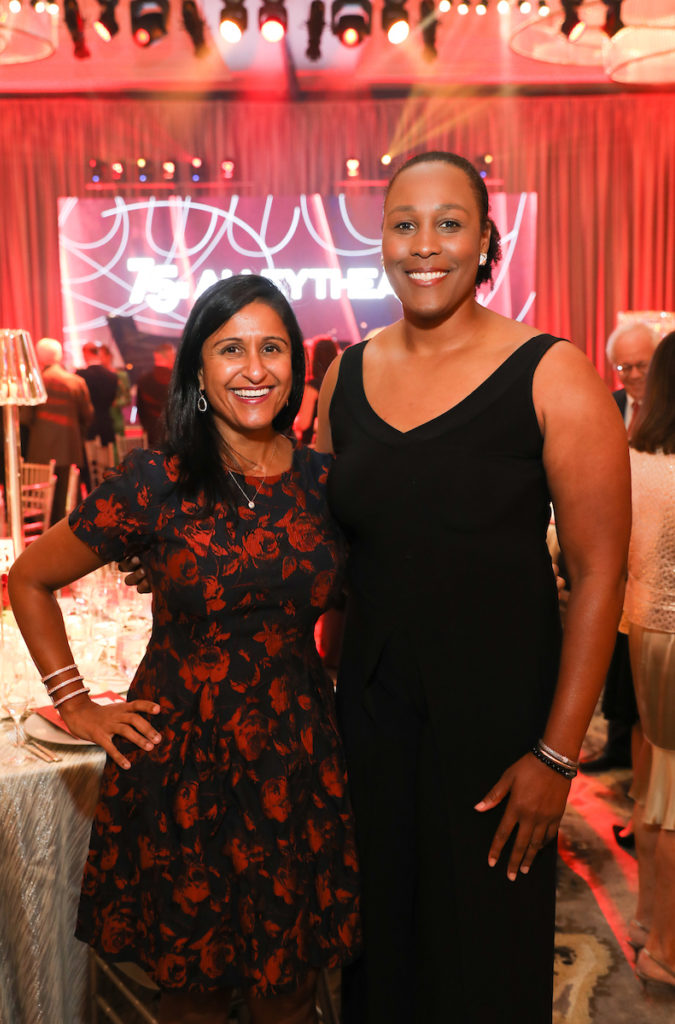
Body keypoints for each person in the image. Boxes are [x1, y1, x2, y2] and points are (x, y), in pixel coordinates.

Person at [315, 151, 631, 1024]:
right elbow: (332, 566)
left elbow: (601, 576)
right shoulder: (343, 376)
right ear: (379, 238)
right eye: (403, 222)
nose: (425, 244)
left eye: (448, 222)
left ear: (487, 239)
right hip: (370, 725)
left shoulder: (552, 373)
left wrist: (557, 756)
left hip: (499, 735)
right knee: (375, 958)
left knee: (483, 966)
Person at [8, 276, 361, 1024]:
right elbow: (29, 577)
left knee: (288, 991)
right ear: (198, 371)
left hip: (295, 760)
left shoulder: (327, 484)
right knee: (193, 993)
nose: (254, 367)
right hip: (186, 766)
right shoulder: (155, 484)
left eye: (272, 348)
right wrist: (77, 706)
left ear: (296, 366)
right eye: (230, 348)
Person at [580, 320, 660, 780]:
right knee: (615, 649)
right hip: (616, 546)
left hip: (658, 555)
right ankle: (617, 742)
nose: (630, 375)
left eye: (640, 365)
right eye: (622, 366)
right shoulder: (608, 406)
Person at [622, 331, 675, 992]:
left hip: (643, 631)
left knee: (655, 779)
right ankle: (664, 944)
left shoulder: (635, 456)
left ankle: (646, 920)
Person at [26, 337, 93, 524]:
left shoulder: (35, 382)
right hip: (69, 448)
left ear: (38, 356)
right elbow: (87, 415)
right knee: (67, 500)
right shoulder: (76, 382)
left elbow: (25, 418)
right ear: (60, 355)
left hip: (39, 452)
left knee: (40, 502)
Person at [293, 337, 339, 446]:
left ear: (316, 357)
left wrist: (294, 422)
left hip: (315, 447)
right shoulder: (341, 381)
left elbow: (304, 424)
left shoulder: (313, 386)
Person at [77, 341, 119, 446]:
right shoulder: (112, 376)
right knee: (109, 460)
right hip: (106, 425)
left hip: (87, 426)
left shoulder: (80, 375)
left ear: (86, 353)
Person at [135, 341, 176, 445]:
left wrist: (147, 428)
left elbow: (140, 409)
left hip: (152, 435)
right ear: (169, 356)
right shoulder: (176, 379)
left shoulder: (143, 380)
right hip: (176, 434)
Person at [100, 342, 132, 438]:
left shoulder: (120, 375)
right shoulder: (98, 376)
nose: (99, 359)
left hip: (116, 420)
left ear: (109, 356)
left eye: (101, 356)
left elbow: (127, 399)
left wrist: (114, 403)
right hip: (101, 421)